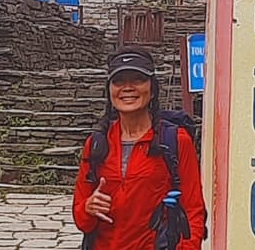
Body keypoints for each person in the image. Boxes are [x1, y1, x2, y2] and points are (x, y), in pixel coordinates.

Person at [73, 47, 207, 249]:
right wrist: (88, 208)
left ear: (152, 89)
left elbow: (193, 209)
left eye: (137, 79)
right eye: (119, 81)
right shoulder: (97, 144)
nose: (128, 87)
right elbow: (82, 219)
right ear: (109, 91)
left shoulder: (175, 141)